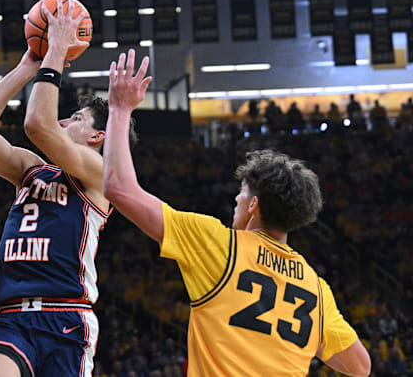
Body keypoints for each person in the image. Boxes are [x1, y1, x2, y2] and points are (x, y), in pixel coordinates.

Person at [101, 50, 372, 377]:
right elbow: (360, 365)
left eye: (241, 195)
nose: (236, 202)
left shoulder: (218, 245)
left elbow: (119, 188)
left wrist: (119, 109)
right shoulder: (315, 287)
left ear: (254, 206)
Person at [0, 0, 135, 377]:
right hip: (11, 317)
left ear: (97, 136)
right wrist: (27, 66)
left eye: (75, 118)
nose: (63, 119)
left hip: (65, 318)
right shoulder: (31, 169)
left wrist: (56, 48)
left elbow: (38, 124)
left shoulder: (98, 173)